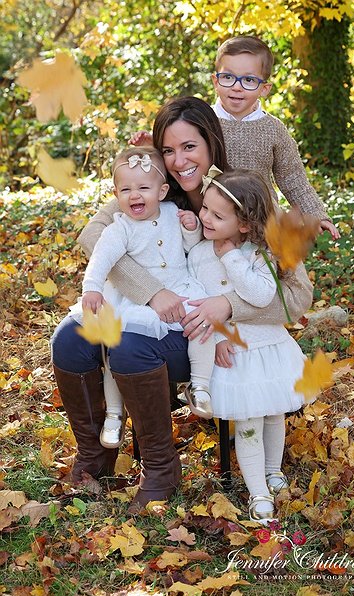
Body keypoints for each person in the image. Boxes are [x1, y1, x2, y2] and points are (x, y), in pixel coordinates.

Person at [51, 97, 313, 509]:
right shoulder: (152, 184)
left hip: (209, 337)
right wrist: (151, 291)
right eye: (168, 150)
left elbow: (297, 295)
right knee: (69, 340)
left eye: (189, 147)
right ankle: (95, 457)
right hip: (152, 310)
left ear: (212, 143)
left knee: (130, 345)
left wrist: (228, 306)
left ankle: (160, 468)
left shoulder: (240, 195)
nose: (178, 161)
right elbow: (94, 235)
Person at [68, 146, 215, 449]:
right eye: (126, 190)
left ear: (162, 192)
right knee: (116, 347)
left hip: (180, 287)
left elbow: (192, 248)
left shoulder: (173, 213)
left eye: (143, 188)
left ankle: (199, 386)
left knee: (202, 324)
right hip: (137, 300)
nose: (135, 195)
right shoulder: (119, 228)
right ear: (116, 194)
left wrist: (191, 229)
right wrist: (91, 288)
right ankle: (114, 412)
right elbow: (100, 258)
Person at [188, 165, 312, 524]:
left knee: (274, 413)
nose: (205, 218)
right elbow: (196, 301)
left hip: (270, 347)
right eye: (205, 208)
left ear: (244, 224)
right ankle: (258, 491)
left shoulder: (261, 253)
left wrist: (231, 257)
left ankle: (273, 469)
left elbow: (261, 295)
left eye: (217, 215)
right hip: (236, 354)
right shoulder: (198, 256)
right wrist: (216, 337)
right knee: (248, 422)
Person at [131, 36, 339, 240]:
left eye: (249, 80)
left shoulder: (274, 130)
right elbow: (178, 150)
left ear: (264, 89)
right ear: (215, 81)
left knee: (275, 258)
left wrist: (315, 215)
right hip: (212, 218)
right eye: (228, 77)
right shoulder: (203, 121)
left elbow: (292, 178)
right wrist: (152, 147)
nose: (237, 87)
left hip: (259, 220)